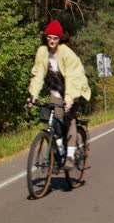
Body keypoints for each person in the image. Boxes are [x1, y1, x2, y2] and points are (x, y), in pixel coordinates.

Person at [27, 20, 91, 169]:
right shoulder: (42, 52)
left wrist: (69, 100)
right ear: (46, 37)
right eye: (49, 37)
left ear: (59, 39)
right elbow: (37, 74)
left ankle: (69, 155)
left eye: (55, 38)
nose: (52, 40)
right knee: (54, 122)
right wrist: (33, 95)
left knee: (70, 120)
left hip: (73, 88)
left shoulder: (66, 53)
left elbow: (73, 77)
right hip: (56, 90)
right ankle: (58, 153)